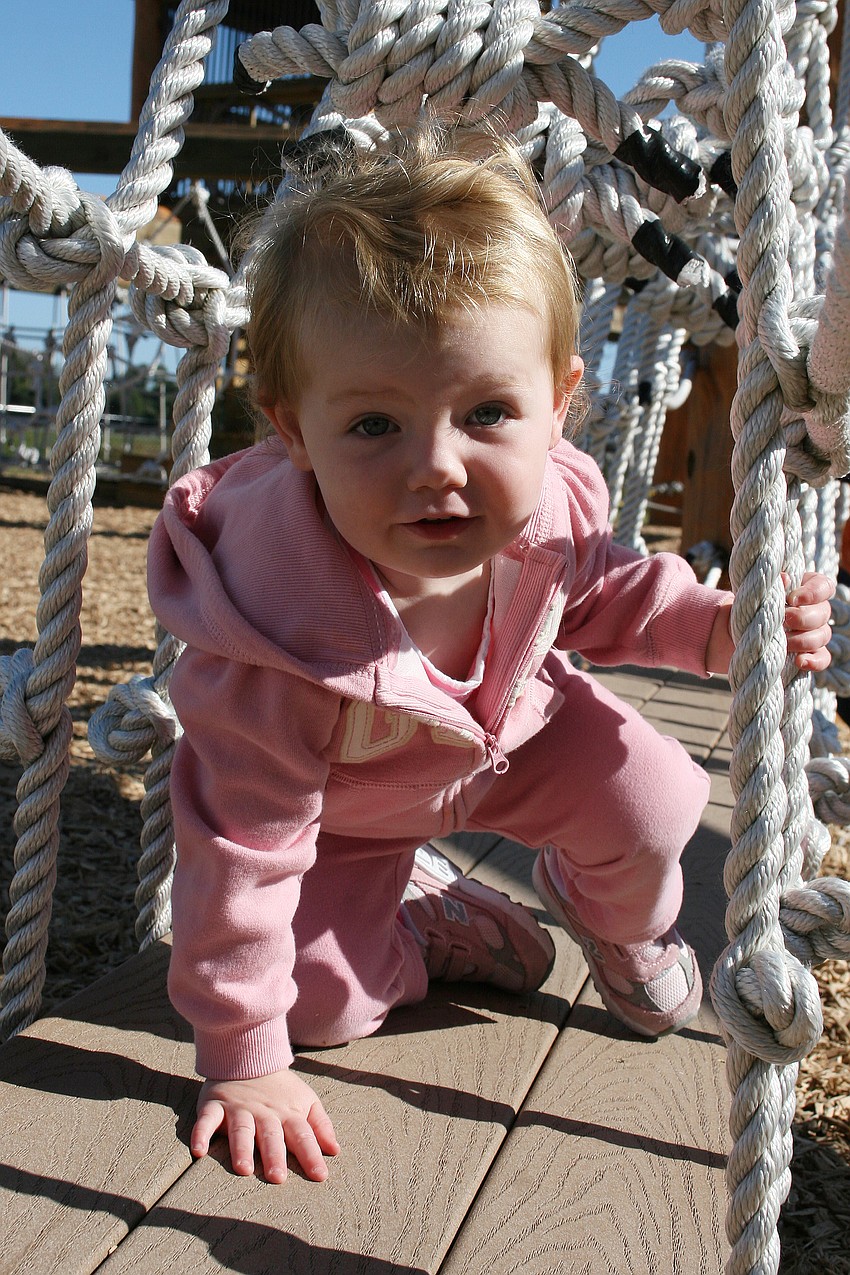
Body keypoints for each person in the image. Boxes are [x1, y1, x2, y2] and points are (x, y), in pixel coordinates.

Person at [147, 125, 834, 1188]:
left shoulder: (544, 513)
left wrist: (719, 626)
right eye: (374, 424)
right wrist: (242, 1061)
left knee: (656, 799)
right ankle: (438, 918)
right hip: (345, 816)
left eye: (486, 414)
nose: (437, 467)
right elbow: (239, 853)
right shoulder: (273, 637)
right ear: (290, 426)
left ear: (558, 406)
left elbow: (604, 590)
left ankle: (623, 931)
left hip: (522, 739)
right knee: (322, 1012)